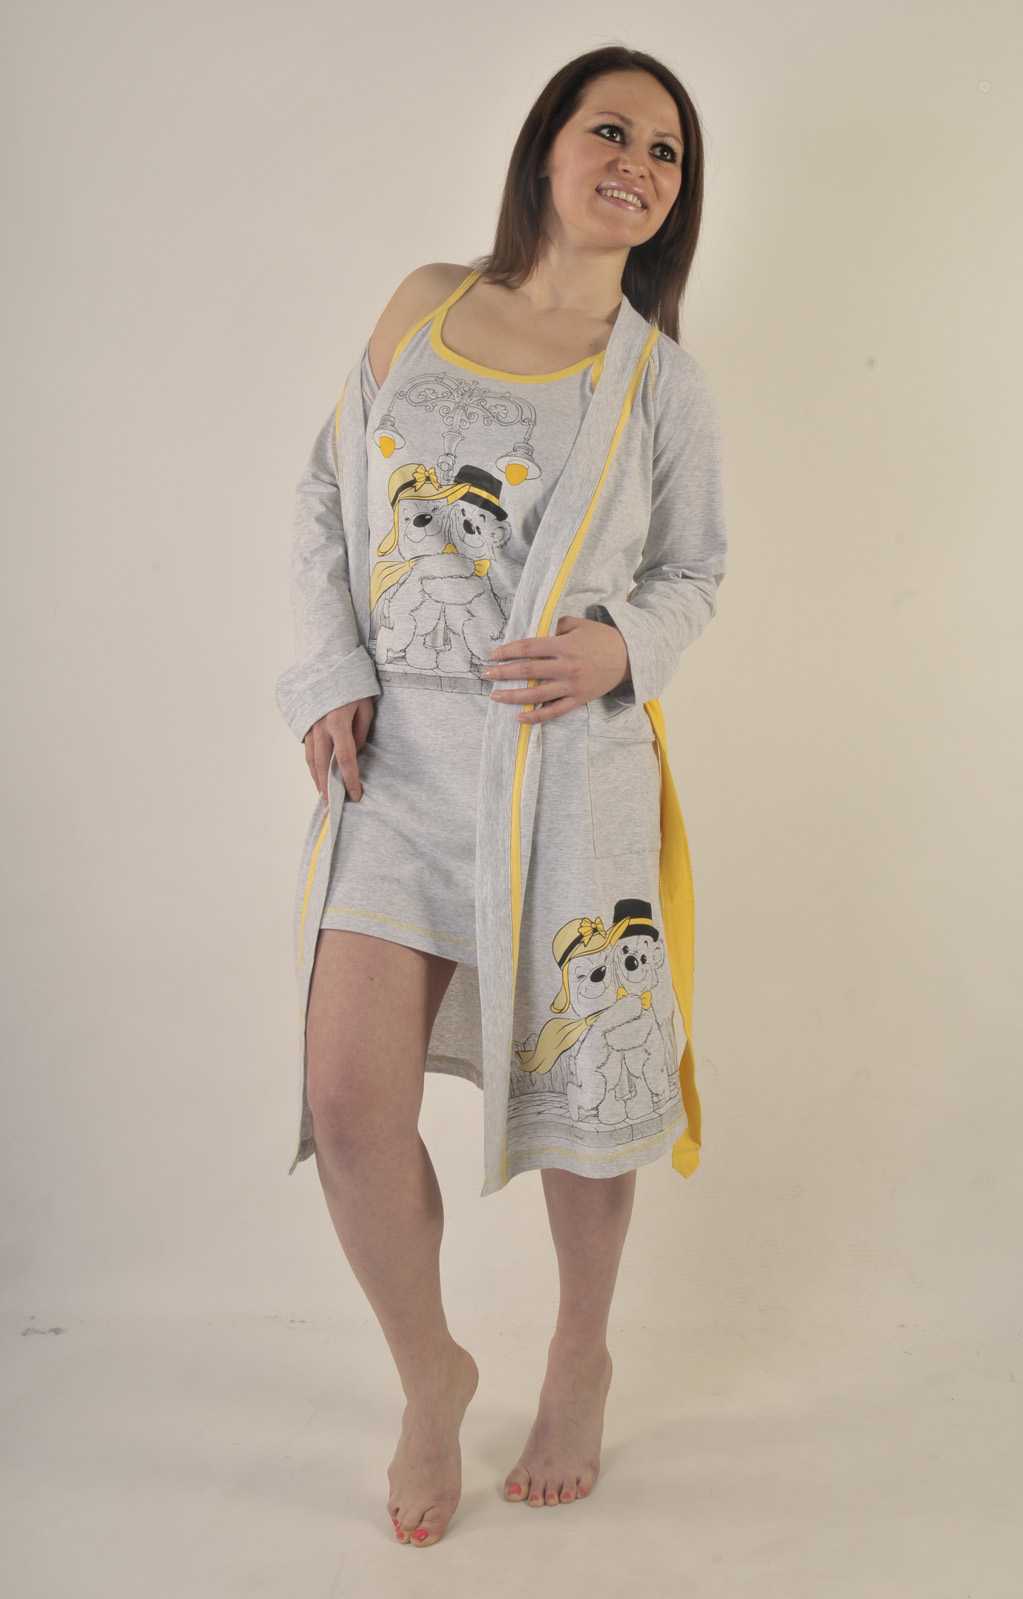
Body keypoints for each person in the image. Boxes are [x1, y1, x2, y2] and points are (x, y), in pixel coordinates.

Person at [275, 44, 727, 1549]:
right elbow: (325, 489)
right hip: (396, 768)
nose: (637, 165)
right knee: (348, 1107)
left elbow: (694, 572)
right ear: (547, 147)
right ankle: (432, 1378)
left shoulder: (656, 380)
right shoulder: (423, 302)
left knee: (587, 1103)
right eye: (613, 131)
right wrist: (326, 669)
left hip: (569, 775)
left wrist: (619, 647)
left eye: (665, 152)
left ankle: (580, 1354)